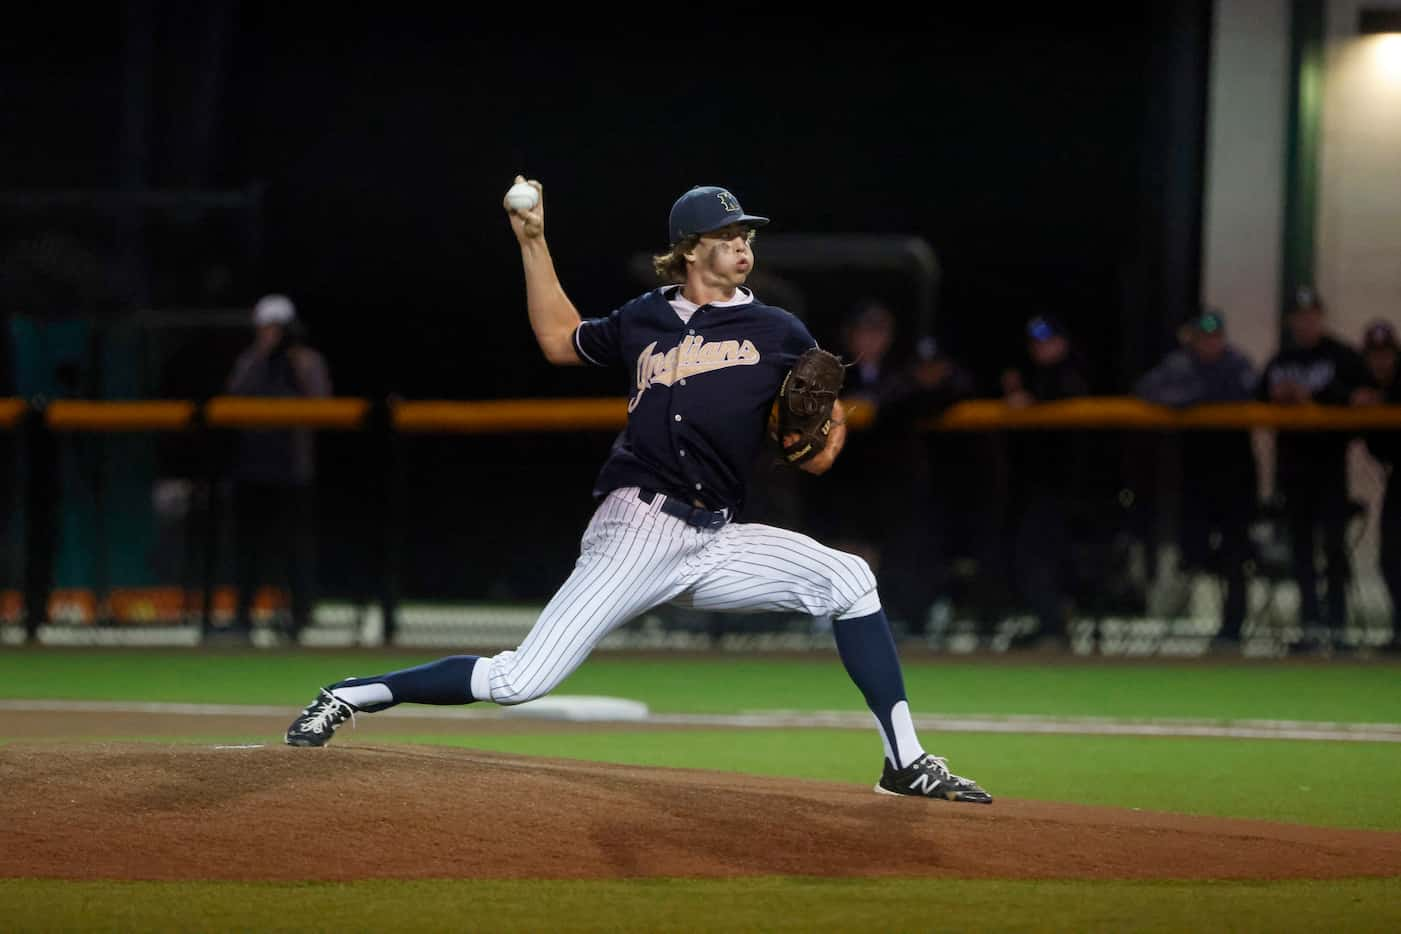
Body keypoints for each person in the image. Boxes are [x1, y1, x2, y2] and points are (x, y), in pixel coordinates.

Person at [282, 178, 992, 804]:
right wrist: (532, 240)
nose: (743, 245)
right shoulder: (643, 317)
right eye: (727, 235)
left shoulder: (778, 331)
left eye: (746, 234)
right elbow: (561, 340)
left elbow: (819, 447)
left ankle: (904, 761)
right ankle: (350, 694)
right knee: (517, 681)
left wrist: (820, 436)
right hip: (635, 528)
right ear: (689, 249)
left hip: (714, 536)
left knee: (849, 579)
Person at [1135, 308, 1258, 650]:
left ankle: (1233, 629)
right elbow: (1147, 389)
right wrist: (1195, 394)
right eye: (1203, 337)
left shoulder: (1237, 362)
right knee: (1193, 549)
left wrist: (1191, 395)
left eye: (1215, 336)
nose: (1209, 343)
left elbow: (1242, 390)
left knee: (1236, 554)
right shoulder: (1179, 363)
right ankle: (1178, 618)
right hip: (1196, 475)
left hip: (1236, 474)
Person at [1258, 286, 1370, 653]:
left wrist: (1318, 397)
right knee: (1302, 550)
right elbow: (1256, 396)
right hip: (1293, 470)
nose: (1305, 322)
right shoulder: (1282, 359)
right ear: (1291, 321)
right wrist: (1280, 397)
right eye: (1299, 316)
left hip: (1329, 468)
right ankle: (1310, 623)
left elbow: (1366, 396)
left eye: (1312, 316)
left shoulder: (1342, 356)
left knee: (1334, 548)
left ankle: (1337, 626)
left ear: (1320, 317)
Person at [224, 294, 332, 642]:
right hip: (253, 468)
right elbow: (234, 395)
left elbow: (321, 403)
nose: (270, 334)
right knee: (248, 547)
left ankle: (300, 617)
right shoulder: (251, 360)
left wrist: (291, 360)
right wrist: (262, 356)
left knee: (295, 547)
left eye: (277, 328)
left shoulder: (307, 361)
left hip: (293, 471)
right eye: (265, 327)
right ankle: (243, 617)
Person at [999, 313, 1092, 649]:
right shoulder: (1033, 375)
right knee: (1030, 556)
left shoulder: (1072, 373)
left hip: (1067, 487)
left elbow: (1067, 391)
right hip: (1034, 487)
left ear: (1063, 343)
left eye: (1049, 341)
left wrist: (1029, 397)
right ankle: (1051, 625)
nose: (1043, 348)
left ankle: (1054, 627)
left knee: (1041, 556)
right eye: (1037, 343)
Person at [1358, 319, 1401, 653]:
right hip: (1396, 481)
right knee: (1390, 557)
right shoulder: (1364, 387)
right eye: (1375, 355)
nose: (1381, 361)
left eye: (1386, 354)